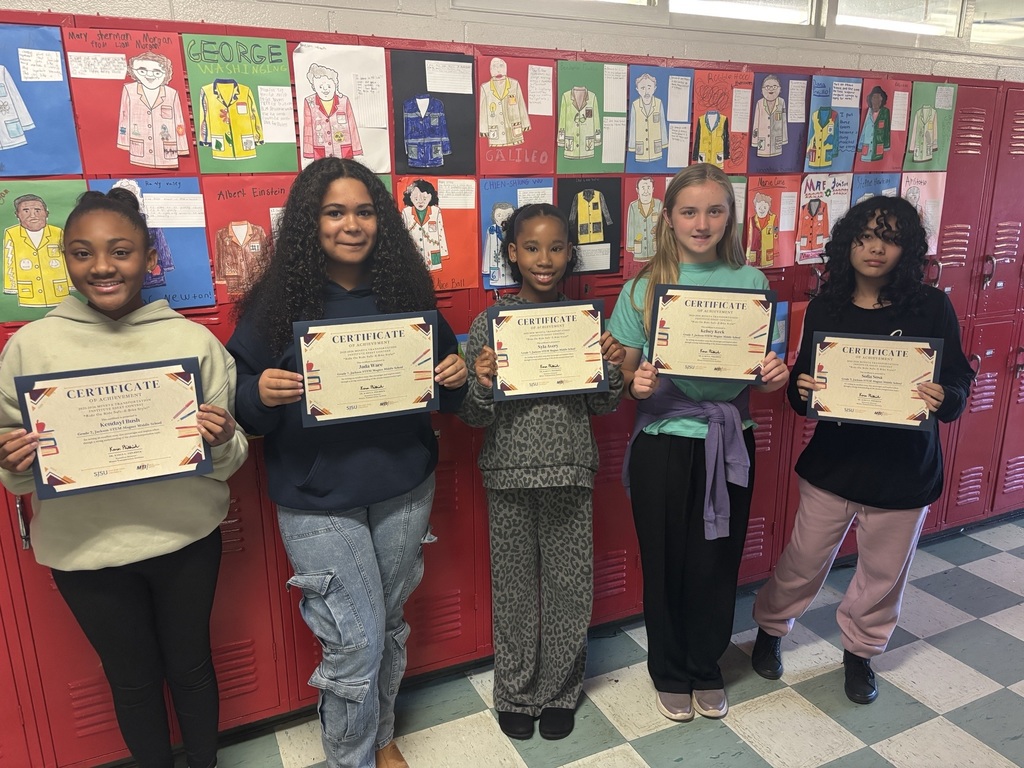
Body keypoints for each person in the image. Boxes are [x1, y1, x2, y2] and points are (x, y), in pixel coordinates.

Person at [227, 157, 467, 768]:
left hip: (403, 488)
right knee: (352, 641)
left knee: (386, 627)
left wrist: (458, 374)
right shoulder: (275, 306)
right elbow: (236, 402)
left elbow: (452, 389)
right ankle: (349, 758)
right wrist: (261, 393)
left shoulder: (407, 295)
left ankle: (381, 734)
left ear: (381, 221)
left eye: (364, 211)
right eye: (335, 212)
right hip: (315, 498)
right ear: (312, 222)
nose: (351, 225)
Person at [0, 188, 249, 768]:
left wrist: (221, 440)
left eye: (121, 251)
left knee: (191, 666)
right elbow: (17, 475)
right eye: (83, 253)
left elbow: (234, 453)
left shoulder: (191, 342)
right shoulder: (28, 349)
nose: (103, 267)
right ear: (65, 259)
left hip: (185, 539)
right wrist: (14, 464)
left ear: (148, 257)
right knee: (132, 681)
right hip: (85, 553)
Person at [750, 195, 974, 704]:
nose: (876, 248)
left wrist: (949, 396)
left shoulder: (931, 306)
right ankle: (770, 631)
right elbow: (802, 387)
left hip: (903, 473)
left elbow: (959, 374)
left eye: (891, 239)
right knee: (803, 560)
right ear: (847, 243)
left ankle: (861, 655)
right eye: (865, 236)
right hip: (834, 466)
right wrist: (801, 390)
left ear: (908, 250)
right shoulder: (826, 305)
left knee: (882, 575)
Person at [608, 163, 790, 722]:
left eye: (714, 210)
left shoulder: (752, 282)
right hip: (665, 440)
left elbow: (762, 364)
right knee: (664, 560)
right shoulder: (642, 287)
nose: (702, 222)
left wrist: (773, 374)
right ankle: (669, 670)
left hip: (730, 438)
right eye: (689, 211)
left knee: (717, 558)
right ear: (668, 218)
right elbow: (622, 372)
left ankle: (705, 665)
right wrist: (633, 381)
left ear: (730, 217)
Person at [459, 203, 625, 742]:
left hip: (570, 473)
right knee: (511, 589)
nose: (545, 259)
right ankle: (514, 691)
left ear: (570, 253)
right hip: (508, 474)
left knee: (569, 590)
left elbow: (602, 408)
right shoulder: (489, 322)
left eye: (556, 247)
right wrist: (481, 381)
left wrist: (613, 369)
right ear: (512, 253)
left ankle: (557, 691)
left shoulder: (586, 323)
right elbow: (472, 415)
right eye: (531, 247)